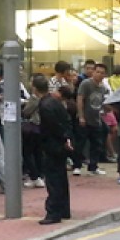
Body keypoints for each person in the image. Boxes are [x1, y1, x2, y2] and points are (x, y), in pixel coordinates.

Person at [36, 78, 72, 225]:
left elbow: (53, 126)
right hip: (59, 145)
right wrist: (66, 138)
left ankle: (53, 212)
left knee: (53, 179)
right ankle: (64, 209)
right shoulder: (55, 103)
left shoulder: (45, 105)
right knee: (61, 177)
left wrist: (63, 138)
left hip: (52, 145)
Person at [74, 63, 108, 176]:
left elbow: (102, 103)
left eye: (102, 73)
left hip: (96, 119)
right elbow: (80, 99)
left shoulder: (102, 87)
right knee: (80, 143)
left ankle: (93, 166)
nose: (99, 74)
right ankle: (77, 165)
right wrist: (81, 116)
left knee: (96, 144)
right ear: (93, 72)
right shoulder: (86, 84)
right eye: (97, 72)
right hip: (85, 118)